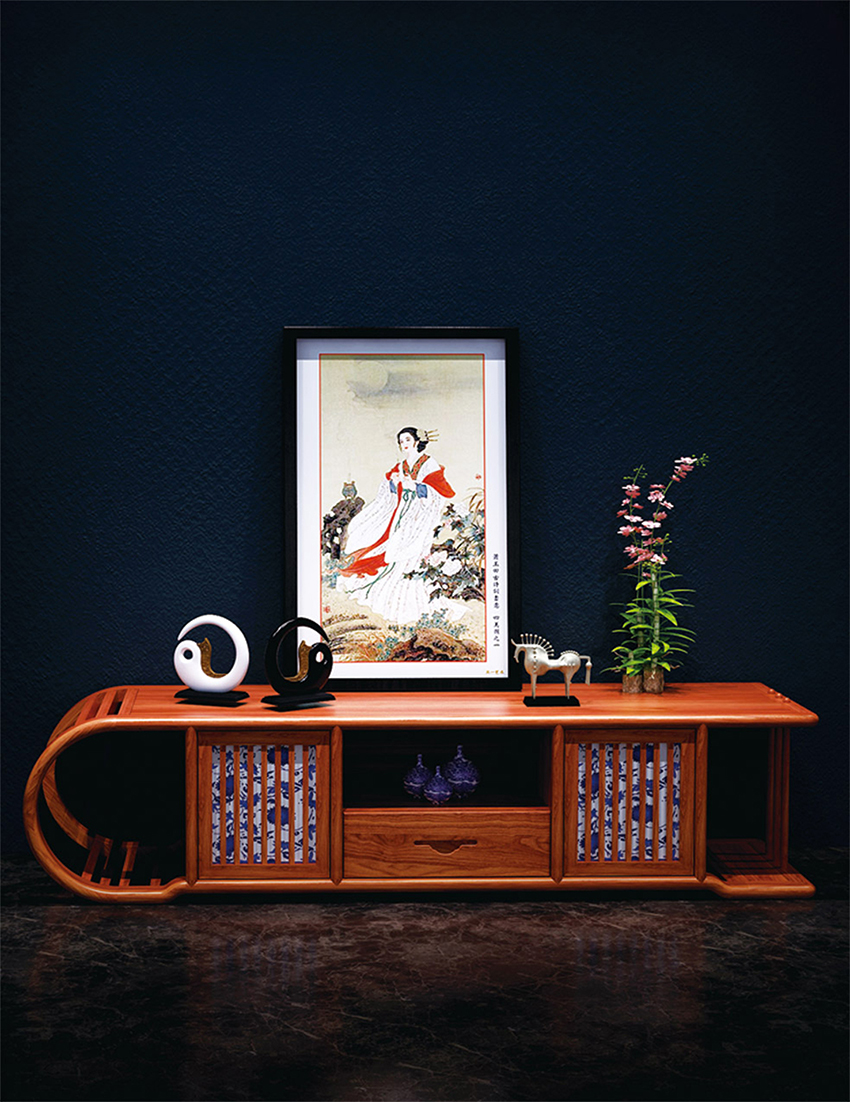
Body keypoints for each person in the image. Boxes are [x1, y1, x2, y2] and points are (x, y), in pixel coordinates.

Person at [337, 427, 462, 625]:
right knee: (391, 546)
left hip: (420, 517)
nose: (404, 444)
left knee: (411, 554)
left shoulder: (429, 463)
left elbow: (439, 493)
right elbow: (388, 492)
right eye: (401, 441)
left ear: (417, 441)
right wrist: (394, 484)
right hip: (402, 513)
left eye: (407, 439)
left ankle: (408, 598)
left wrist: (417, 487)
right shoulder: (401, 466)